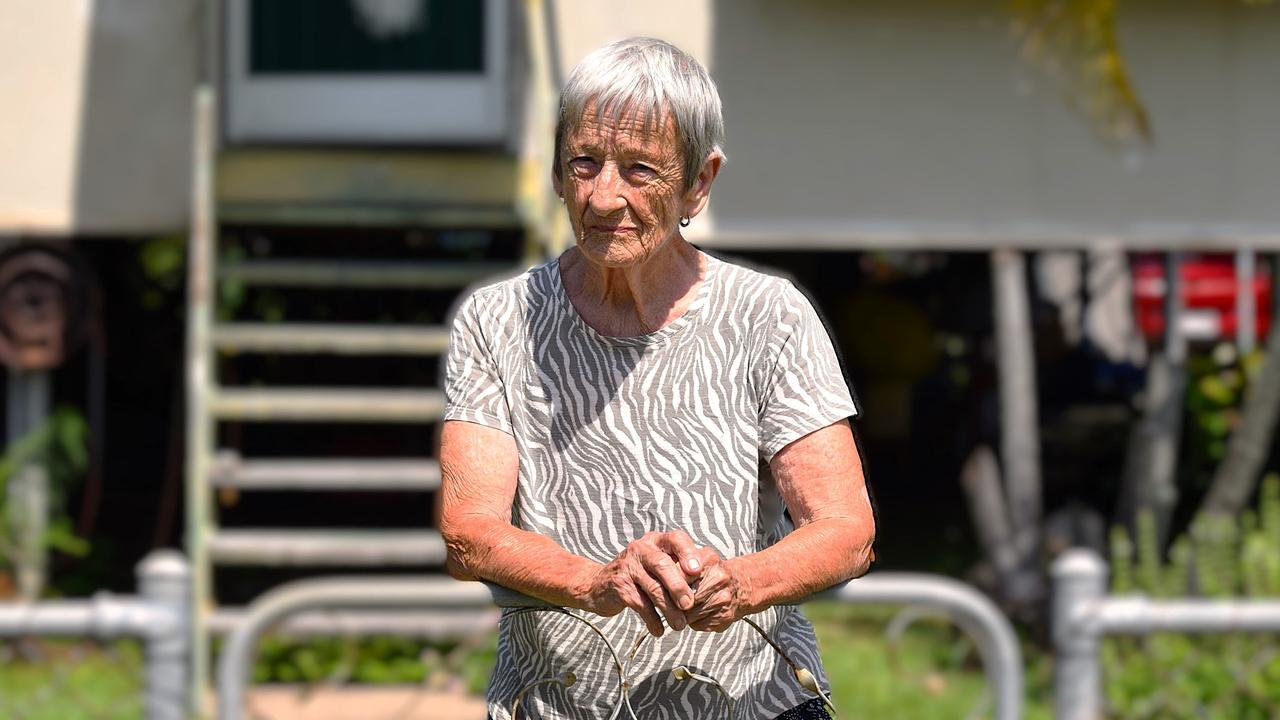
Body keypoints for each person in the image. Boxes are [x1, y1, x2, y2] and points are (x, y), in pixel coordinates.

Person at [440, 36, 876, 720]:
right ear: (557, 171)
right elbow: (468, 531)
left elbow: (847, 530)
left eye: (639, 170)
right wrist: (596, 581)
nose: (603, 196)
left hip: (752, 705)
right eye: (584, 162)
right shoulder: (499, 321)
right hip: (557, 706)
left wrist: (738, 582)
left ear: (699, 182)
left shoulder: (769, 316)